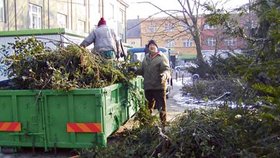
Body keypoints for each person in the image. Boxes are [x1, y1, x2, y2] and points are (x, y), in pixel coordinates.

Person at [139, 40, 171, 126]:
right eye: (150, 45)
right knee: (148, 107)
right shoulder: (146, 58)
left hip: (159, 87)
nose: (152, 47)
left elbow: (167, 70)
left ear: (156, 47)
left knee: (161, 108)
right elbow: (142, 70)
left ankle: (163, 124)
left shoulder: (162, 57)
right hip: (148, 87)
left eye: (153, 45)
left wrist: (164, 76)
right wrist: (134, 70)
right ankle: (146, 125)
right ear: (148, 48)